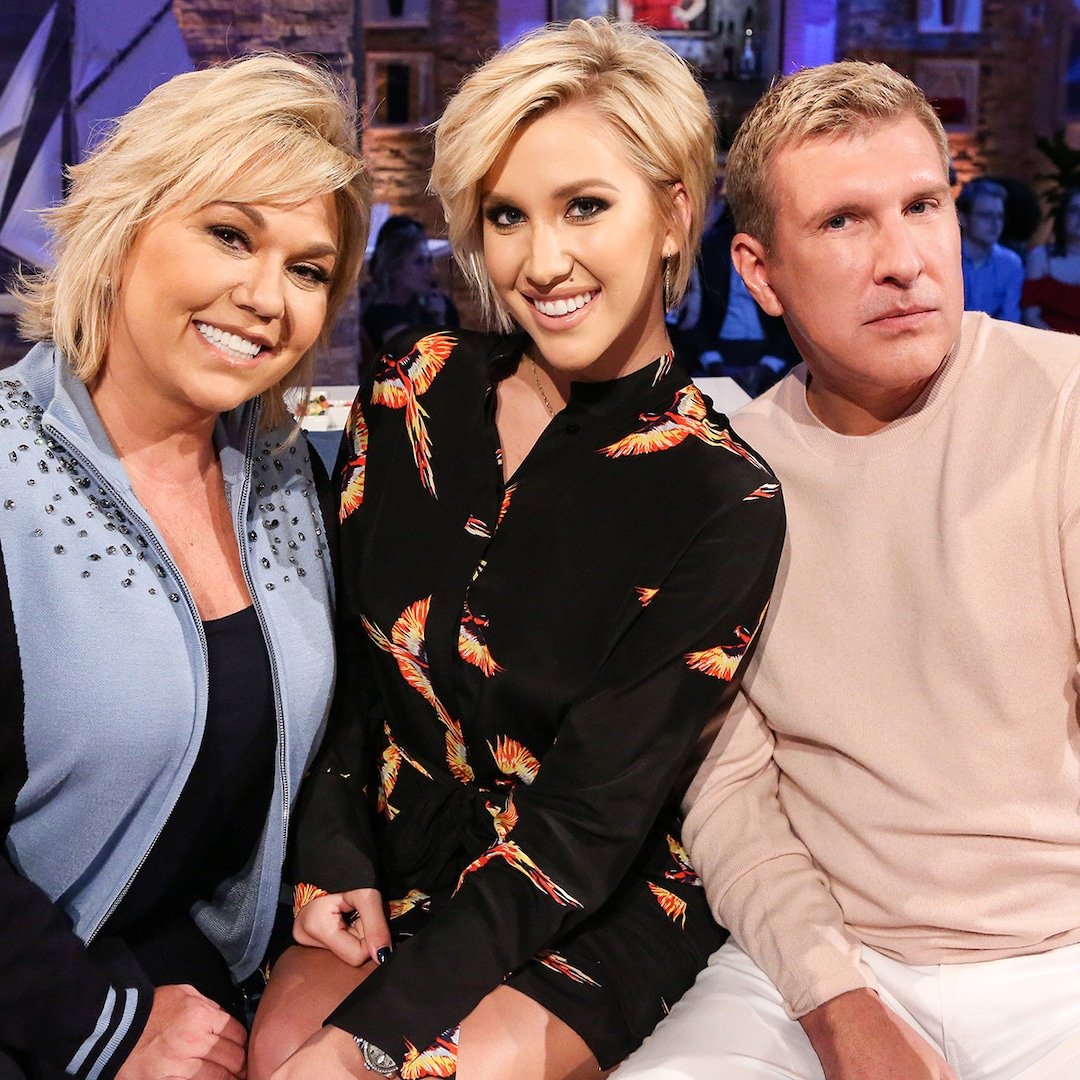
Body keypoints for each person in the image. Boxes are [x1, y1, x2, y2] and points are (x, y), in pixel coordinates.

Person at [249, 17, 784, 1080]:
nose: (542, 262)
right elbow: (352, 665)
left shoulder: (721, 497)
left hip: (584, 895)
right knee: (278, 1056)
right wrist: (333, 853)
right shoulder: (413, 389)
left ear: (675, 213)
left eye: (586, 206)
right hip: (395, 855)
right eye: (506, 216)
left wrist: (369, 1041)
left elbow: (588, 822)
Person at [615, 60, 1080, 1080]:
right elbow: (730, 792)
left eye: (923, 206)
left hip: (1062, 959)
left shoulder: (1065, 406)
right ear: (760, 272)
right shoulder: (729, 481)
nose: (905, 260)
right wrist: (838, 1005)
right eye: (843, 222)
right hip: (818, 963)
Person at [0, 54, 370, 1080]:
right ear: (124, 229)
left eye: (307, 270)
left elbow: (325, 716)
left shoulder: (285, 469)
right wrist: (98, 1025)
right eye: (230, 235)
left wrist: (324, 868)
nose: (265, 298)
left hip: (208, 974)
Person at [361, 218, 458, 355]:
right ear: (395, 267)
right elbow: (419, 359)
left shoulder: (437, 305)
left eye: (429, 260)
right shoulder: (380, 315)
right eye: (419, 262)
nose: (428, 269)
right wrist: (439, 321)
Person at [956, 177, 1023, 322]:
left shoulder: (1010, 263)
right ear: (963, 218)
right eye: (986, 215)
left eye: (1000, 216)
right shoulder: (947, 258)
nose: (995, 223)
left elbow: (1010, 318)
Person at [1022, 186, 1080, 333]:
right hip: (1044, 339)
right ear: (1063, 216)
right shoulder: (1040, 257)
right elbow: (1030, 316)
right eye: (1074, 210)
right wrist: (1058, 342)